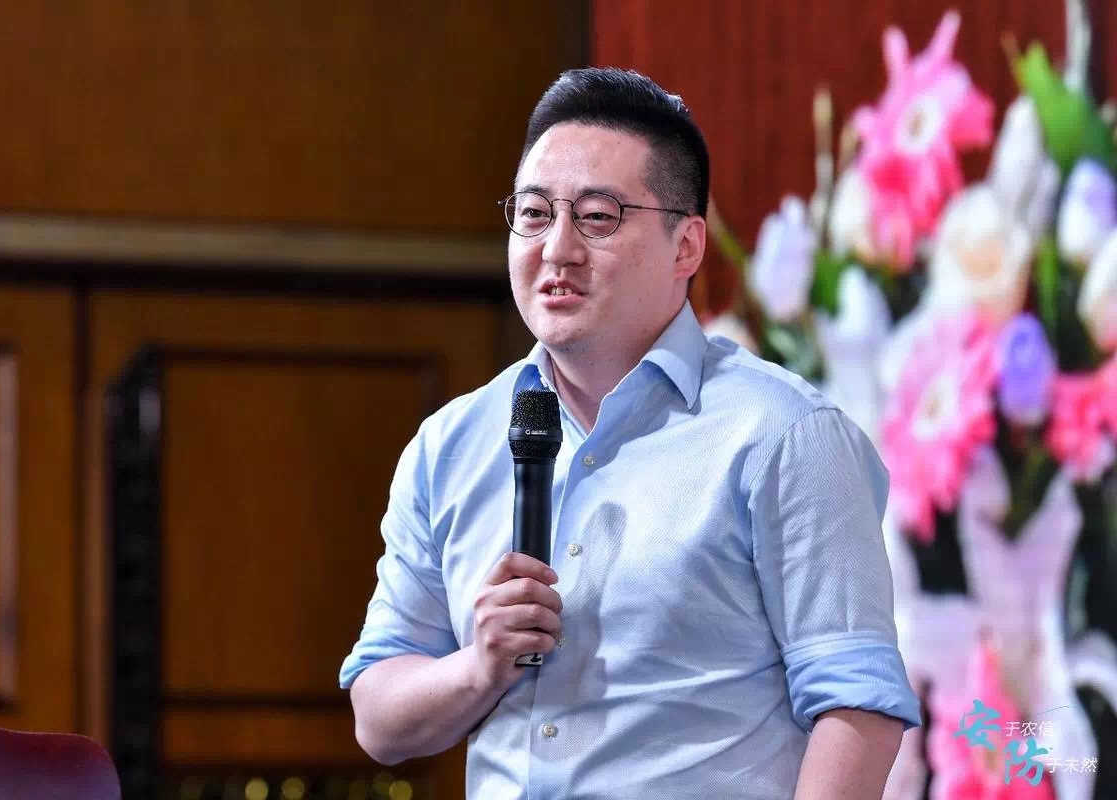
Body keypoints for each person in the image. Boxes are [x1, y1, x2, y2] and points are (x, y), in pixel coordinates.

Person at [339, 67, 921, 799]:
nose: (557, 248)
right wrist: (478, 667)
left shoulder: (784, 436)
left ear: (687, 245)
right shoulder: (448, 445)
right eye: (533, 213)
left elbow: (857, 706)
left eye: (598, 216)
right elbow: (379, 719)